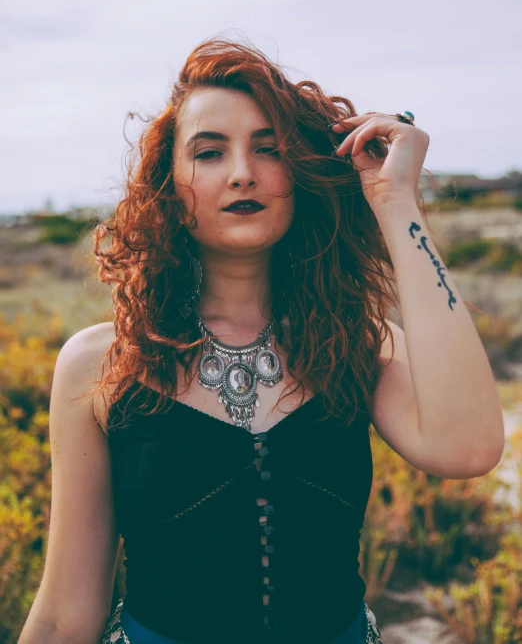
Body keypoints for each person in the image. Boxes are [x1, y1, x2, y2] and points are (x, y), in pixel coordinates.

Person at [18, 38, 504, 644]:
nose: (243, 171)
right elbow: (67, 612)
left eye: (269, 149)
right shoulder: (102, 364)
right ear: (169, 182)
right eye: (210, 151)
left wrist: (394, 199)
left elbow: (469, 447)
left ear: (300, 174)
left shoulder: (362, 344)